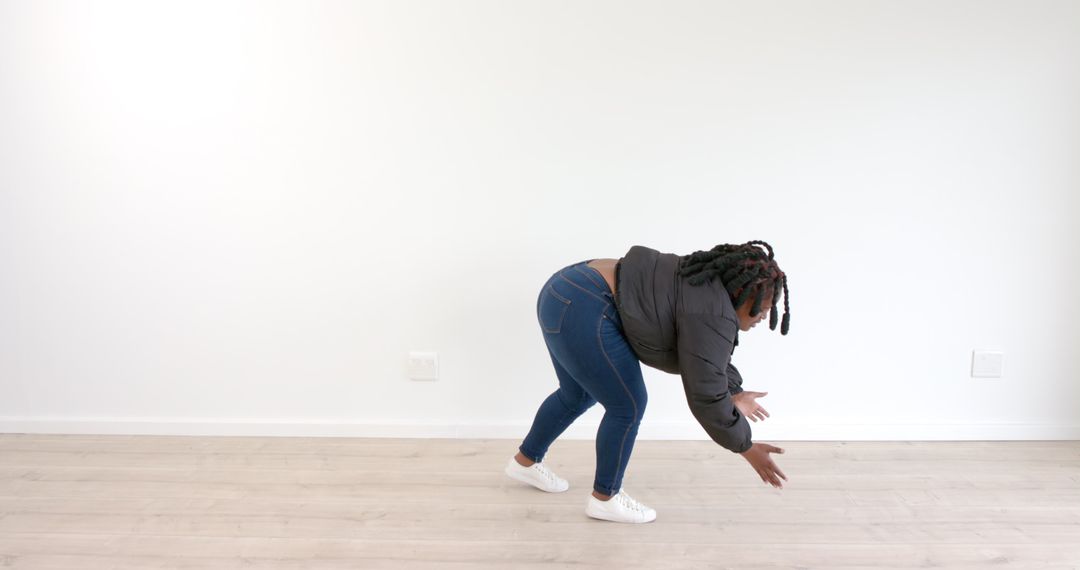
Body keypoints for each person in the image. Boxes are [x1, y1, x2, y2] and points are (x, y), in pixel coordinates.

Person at [504, 241, 791, 523]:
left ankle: (525, 462)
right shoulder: (712, 311)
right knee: (627, 405)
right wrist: (746, 446)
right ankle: (605, 498)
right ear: (741, 292)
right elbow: (705, 390)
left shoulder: (708, 290)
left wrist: (734, 391)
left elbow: (707, 359)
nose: (765, 317)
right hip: (585, 304)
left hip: (563, 289)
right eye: (764, 307)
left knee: (576, 394)